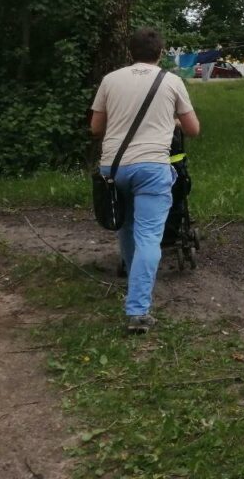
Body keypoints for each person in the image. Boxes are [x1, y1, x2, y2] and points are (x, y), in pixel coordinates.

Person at [90, 28, 200, 334]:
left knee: (125, 226)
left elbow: (95, 127)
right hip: (151, 168)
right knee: (150, 236)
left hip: (113, 168)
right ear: (161, 53)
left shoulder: (110, 80)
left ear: (130, 52)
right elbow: (193, 130)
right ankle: (138, 310)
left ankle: (133, 274)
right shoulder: (171, 81)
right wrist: (172, 120)